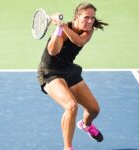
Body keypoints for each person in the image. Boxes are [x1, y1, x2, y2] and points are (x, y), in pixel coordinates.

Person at [37, 2, 108, 150]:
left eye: (92, 18)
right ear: (76, 17)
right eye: (86, 17)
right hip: (50, 71)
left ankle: (86, 125)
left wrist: (62, 26)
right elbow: (53, 52)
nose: (90, 21)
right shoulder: (60, 32)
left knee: (94, 110)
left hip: (68, 70)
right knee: (71, 106)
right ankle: (68, 147)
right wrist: (59, 28)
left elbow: (80, 41)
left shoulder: (88, 30)